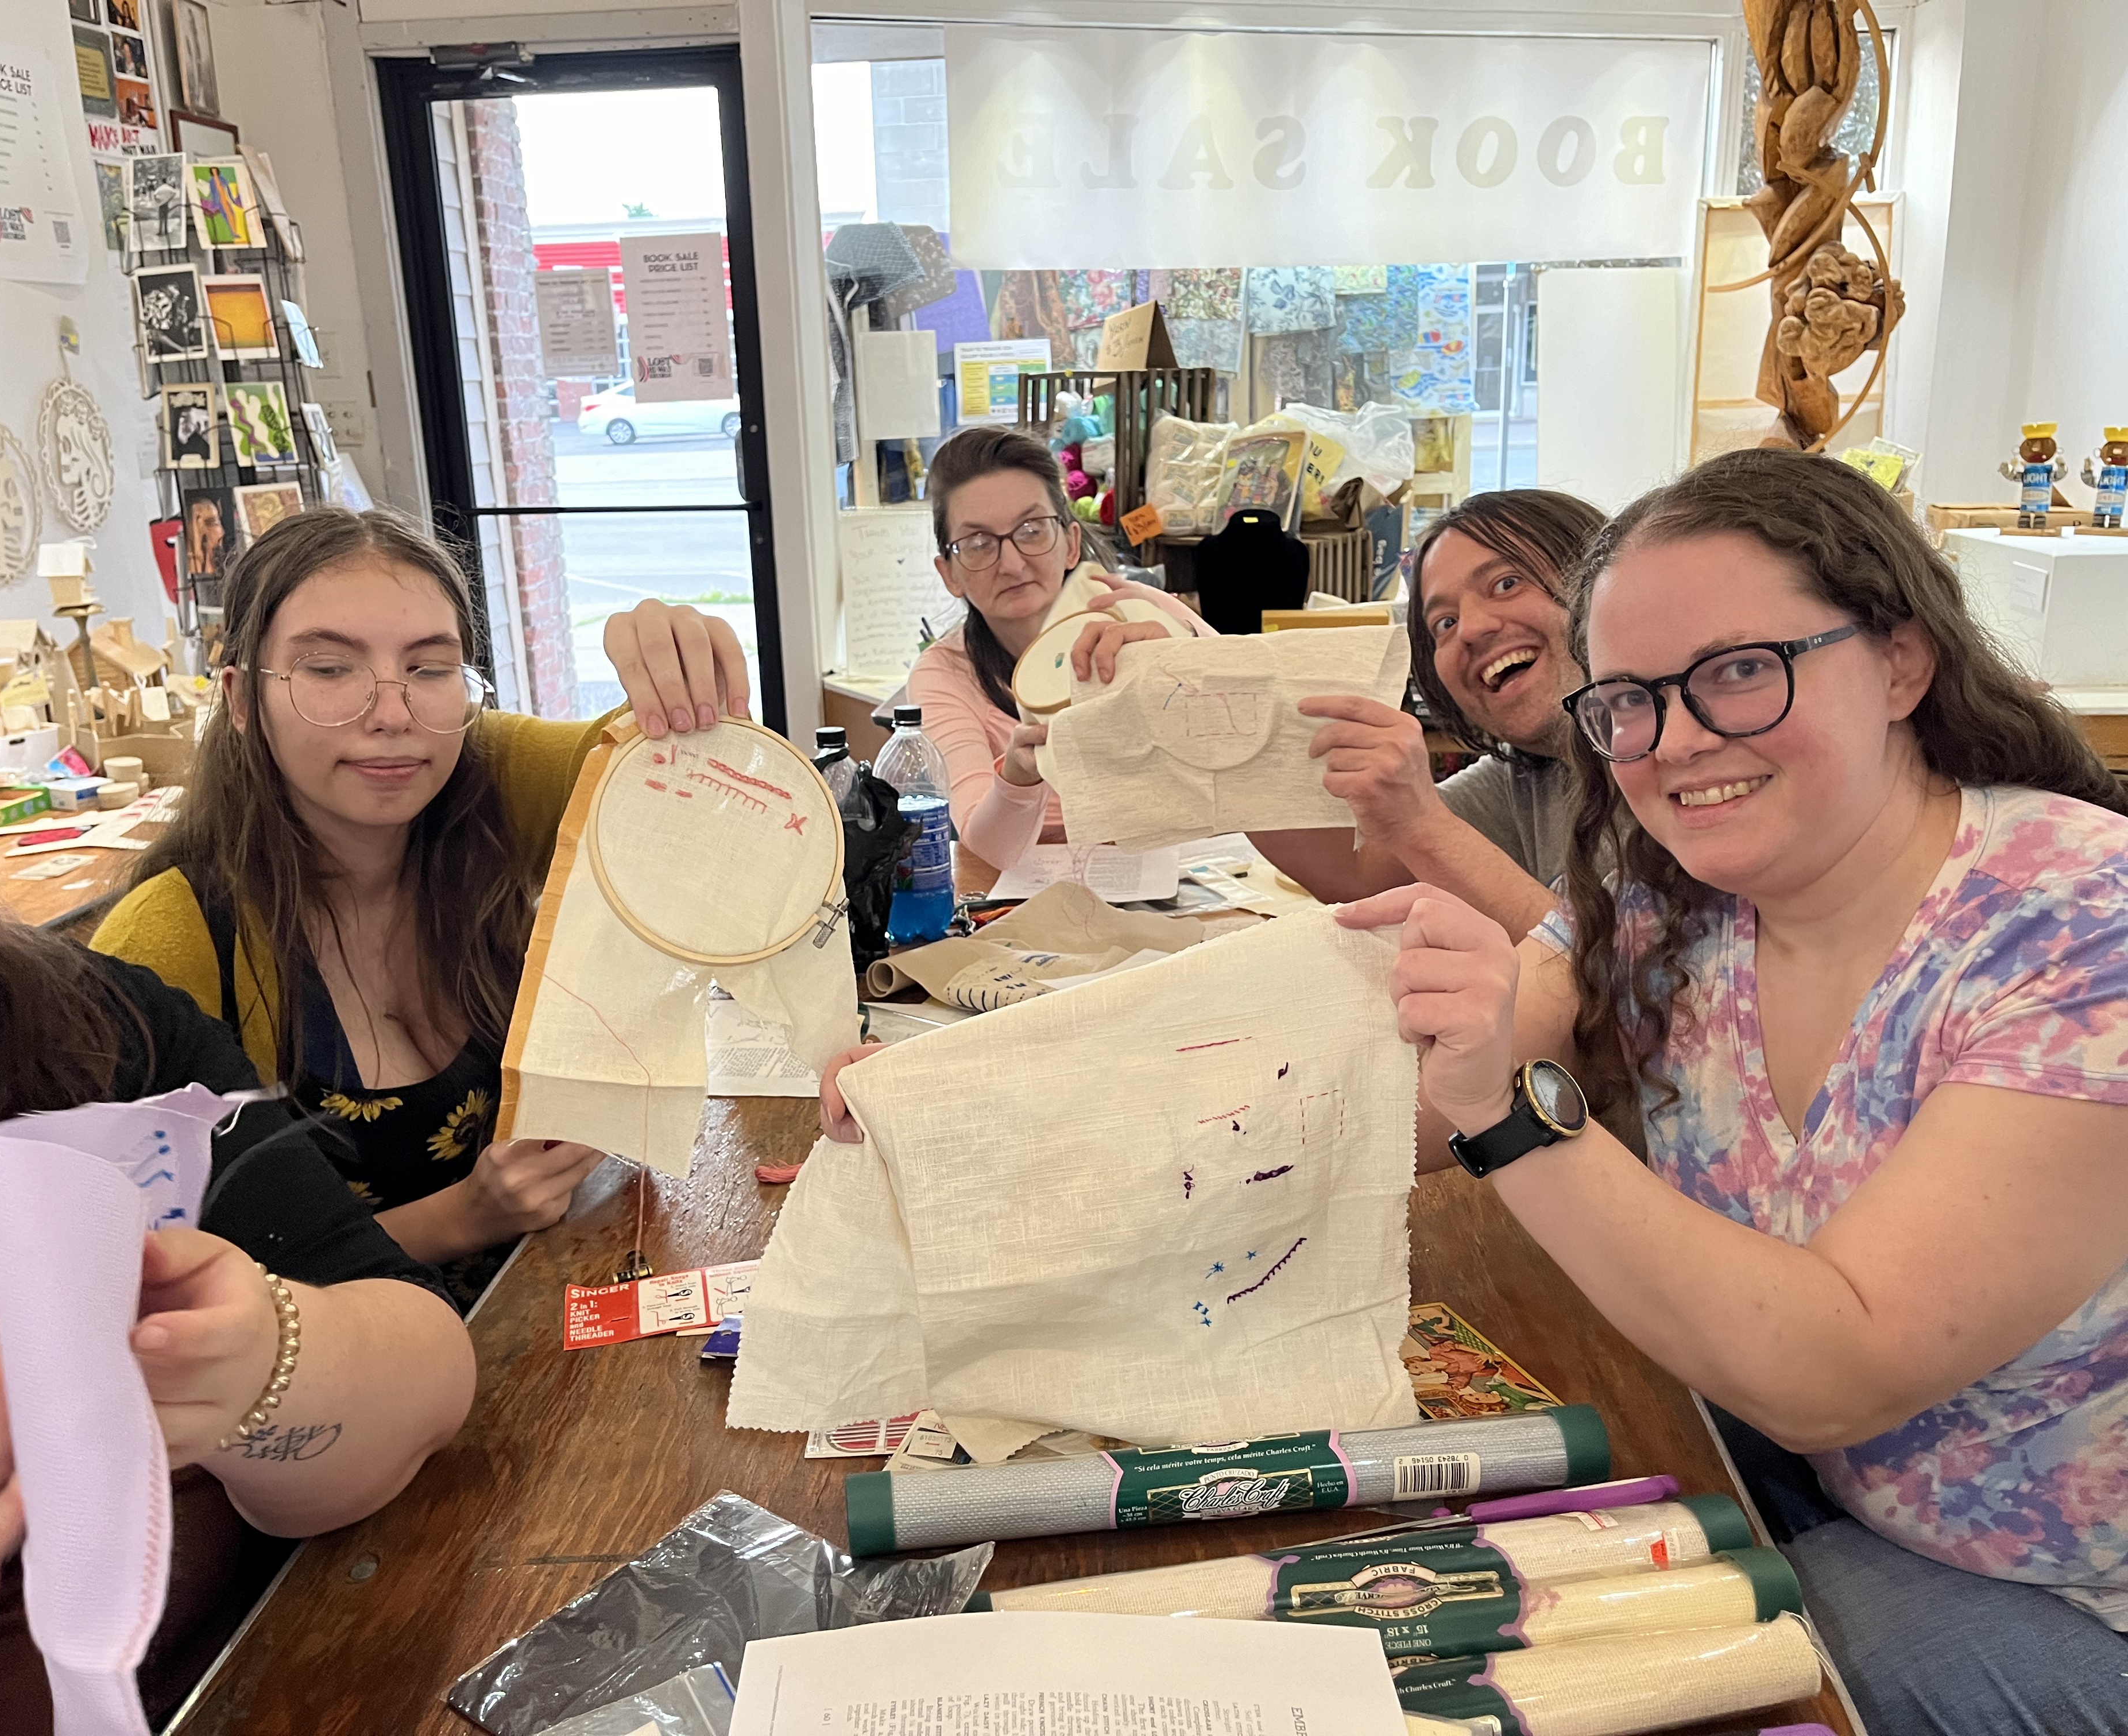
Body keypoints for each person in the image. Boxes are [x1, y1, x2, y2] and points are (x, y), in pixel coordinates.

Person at [1339, 449, 2128, 1735]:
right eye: (1629, 700)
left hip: (2067, 1588)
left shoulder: (2081, 924)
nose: (1677, 740)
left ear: (1902, 663)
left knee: (1591, 1670)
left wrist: (1511, 1114)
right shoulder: (1673, 894)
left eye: (1741, 671)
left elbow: (1837, 1365)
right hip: (1827, 1470)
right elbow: (1423, 1102)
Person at [0, 533, 475, 1733]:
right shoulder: (188, 924)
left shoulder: (82, 1033)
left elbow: (425, 1364)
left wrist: (263, 1366)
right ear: (243, 698)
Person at [92, 508, 751, 1307]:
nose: (393, 714)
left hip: (539, 1316)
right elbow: (153, 1286)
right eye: (329, 668)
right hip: (336, 1366)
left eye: (431, 668)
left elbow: (680, 790)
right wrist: (461, 1217)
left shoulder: (478, 773)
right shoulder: (169, 943)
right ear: (240, 697)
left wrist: (674, 666)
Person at [1248, 489, 1606, 940]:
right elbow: (1357, 873)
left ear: (1605, 579)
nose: (1471, 629)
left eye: (1506, 584)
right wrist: (1204, 706)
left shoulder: (1673, 752)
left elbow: (1617, 974)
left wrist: (1421, 825)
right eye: (1445, 624)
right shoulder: (1530, 772)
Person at [905, 425, 1212, 870]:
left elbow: (1257, 717)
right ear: (949, 573)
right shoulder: (945, 675)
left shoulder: (1139, 611)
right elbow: (988, 846)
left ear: (1071, 543)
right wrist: (1019, 777)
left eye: (1032, 530)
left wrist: (1181, 662)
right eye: (978, 544)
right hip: (1041, 893)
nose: (1012, 564)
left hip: (1188, 867)